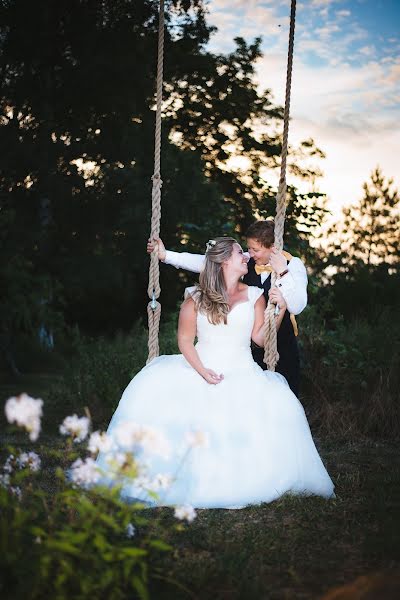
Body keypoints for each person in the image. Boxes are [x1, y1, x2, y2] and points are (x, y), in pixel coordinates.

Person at [96, 238, 334, 509]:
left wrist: (277, 311)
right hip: (200, 365)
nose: (246, 257)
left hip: (243, 370)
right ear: (223, 262)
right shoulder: (195, 298)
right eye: (239, 254)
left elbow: (260, 340)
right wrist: (202, 371)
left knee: (281, 406)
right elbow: (185, 341)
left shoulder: (256, 296)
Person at [147, 220, 306, 396]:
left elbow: (297, 306)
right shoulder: (247, 261)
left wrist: (283, 272)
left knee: (283, 397)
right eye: (248, 249)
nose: (249, 254)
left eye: (255, 250)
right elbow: (210, 263)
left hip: (281, 345)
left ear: (273, 247)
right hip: (247, 352)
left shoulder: (293, 265)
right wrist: (166, 255)